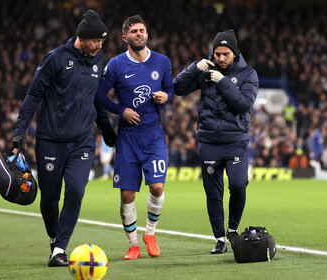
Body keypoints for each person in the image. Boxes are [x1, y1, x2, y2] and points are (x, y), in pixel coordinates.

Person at [11, 10, 116, 267]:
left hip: (82, 141)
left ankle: (59, 249)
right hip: (50, 141)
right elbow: (33, 95)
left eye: (103, 41)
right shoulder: (55, 59)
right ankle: (54, 237)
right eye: (97, 40)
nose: (101, 45)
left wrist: (106, 128)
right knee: (49, 199)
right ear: (82, 37)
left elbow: (95, 99)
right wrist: (19, 132)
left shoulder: (98, 61)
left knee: (77, 190)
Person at [95, 15, 174, 260]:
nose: (139, 34)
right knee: (127, 194)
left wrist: (166, 96)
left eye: (142, 31)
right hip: (127, 137)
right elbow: (98, 95)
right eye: (134, 31)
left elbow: (170, 87)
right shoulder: (116, 65)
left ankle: (150, 234)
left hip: (153, 135)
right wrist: (121, 111)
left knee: (157, 187)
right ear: (125, 37)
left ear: (147, 35)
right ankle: (133, 245)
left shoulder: (161, 61)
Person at [173, 29, 259, 254]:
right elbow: (177, 88)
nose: (220, 58)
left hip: (235, 141)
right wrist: (193, 68)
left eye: (225, 54)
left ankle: (233, 229)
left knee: (238, 185)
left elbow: (243, 104)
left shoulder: (249, 74)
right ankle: (220, 238)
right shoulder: (206, 71)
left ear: (235, 53)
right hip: (209, 141)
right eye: (217, 53)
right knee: (213, 193)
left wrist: (222, 82)